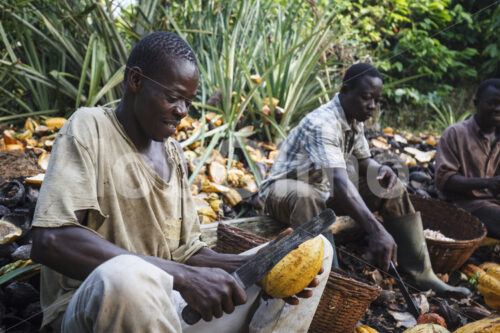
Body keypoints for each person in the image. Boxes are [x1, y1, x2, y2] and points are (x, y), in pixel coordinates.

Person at [30, 31, 333, 333]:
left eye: (187, 102)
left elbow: (190, 253)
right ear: (136, 81)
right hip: (99, 310)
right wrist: (183, 277)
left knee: (314, 246)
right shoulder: (89, 127)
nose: (182, 112)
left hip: (172, 309)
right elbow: (52, 240)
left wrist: (265, 264)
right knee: (127, 277)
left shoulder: (172, 152)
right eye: (173, 97)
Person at [259, 63, 469, 296]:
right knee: (306, 196)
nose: (372, 106)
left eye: (377, 101)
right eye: (367, 98)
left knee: (390, 187)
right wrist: (376, 230)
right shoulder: (323, 124)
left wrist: (382, 170)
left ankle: (421, 273)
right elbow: (339, 182)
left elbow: (364, 162)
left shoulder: (353, 120)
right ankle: (331, 282)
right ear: (345, 90)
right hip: (282, 190)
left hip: (322, 189)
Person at [435, 79, 500, 239]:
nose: (498, 109)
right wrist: (488, 183)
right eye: (492, 103)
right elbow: (445, 180)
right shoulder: (455, 134)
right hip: (465, 206)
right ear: (476, 103)